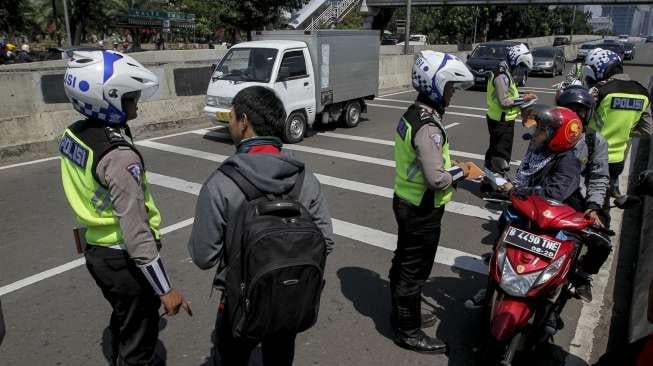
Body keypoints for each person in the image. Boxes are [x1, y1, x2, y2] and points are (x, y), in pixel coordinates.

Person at [187, 86, 334, 366]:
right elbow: (326, 241)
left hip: (239, 305)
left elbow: (203, 257)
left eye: (230, 117)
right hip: (289, 302)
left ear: (244, 122)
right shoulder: (305, 178)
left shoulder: (222, 183)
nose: (229, 124)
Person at [59, 50, 190, 365]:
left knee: (124, 319)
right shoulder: (119, 157)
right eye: (131, 96)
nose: (136, 103)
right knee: (139, 346)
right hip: (124, 259)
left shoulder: (74, 134)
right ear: (109, 100)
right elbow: (136, 233)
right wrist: (165, 289)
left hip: (96, 247)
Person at [390, 51, 474, 353]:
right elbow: (436, 178)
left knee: (402, 264)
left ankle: (401, 315)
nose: (452, 93)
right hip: (422, 208)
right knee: (414, 271)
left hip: (405, 199)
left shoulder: (412, 113)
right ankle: (408, 331)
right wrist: (462, 171)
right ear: (436, 85)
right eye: (450, 87)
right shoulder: (428, 126)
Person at [466, 106, 584, 309]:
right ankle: (491, 289)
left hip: (555, 221)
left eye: (541, 130)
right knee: (504, 234)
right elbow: (525, 180)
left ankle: (553, 311)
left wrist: (517, 191)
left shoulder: (568, 162)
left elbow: (553, 194)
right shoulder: (538, 152)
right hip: (531, 214)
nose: (535, 134)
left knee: (564, 270)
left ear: (558, 136)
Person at [556, 86, 610, 302]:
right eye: (570, 109)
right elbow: (532, 166)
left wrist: (593, 206)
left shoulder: (594, 141)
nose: (575, 115)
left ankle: (583, 274)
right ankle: (497, 276)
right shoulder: (547, 132)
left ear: (589, 113)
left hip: (579, 203)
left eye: (581, 110)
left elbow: (599, 177)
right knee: (509, 222)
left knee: (602, 243)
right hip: (548, 199)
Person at [582, 47, 652, 198]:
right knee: (605, 198)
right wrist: (625, 129)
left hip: (592, 156)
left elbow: (581, 118)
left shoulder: (599, 90)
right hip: (617, 161)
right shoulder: (643, 93)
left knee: (586, 198)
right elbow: (648, 130)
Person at [482, 43, 536, 186]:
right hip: (501, 120)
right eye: (521, 66)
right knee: (501, 154)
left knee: (494, 150)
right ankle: (499, 185)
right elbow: (504, 101)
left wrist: (523, 96)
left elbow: (509, 93)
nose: (521, 70)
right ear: (515, 60)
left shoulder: (503, 71)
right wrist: (524, 99)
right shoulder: (501, 76)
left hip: (498, 118)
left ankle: (488, 181)